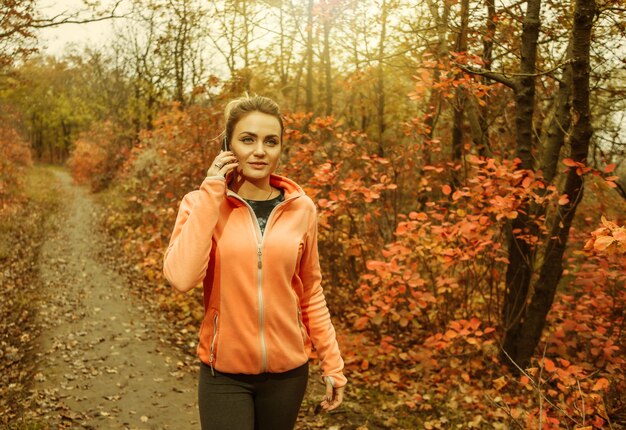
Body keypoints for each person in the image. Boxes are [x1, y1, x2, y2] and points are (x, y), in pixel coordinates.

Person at [163, 95, 346, 430]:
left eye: (270, 141)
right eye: (248, 139)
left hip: (288, 376)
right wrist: (212, 191)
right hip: (225, 376)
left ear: (279, 149)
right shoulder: (200, 203)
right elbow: (181, 277)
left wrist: (332, 364)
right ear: (228, 145)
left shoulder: (301, 208)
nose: (260, 151)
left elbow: (311, 292)